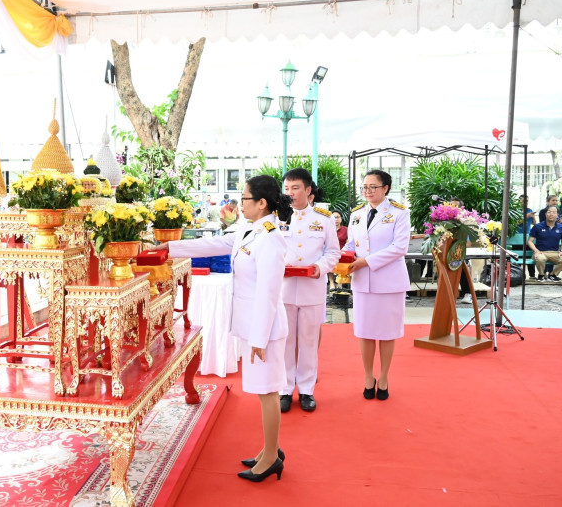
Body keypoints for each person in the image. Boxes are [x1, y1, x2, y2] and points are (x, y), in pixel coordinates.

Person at [156, 175, 292, 482]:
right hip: (253, 325)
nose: (239, 203)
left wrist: (259, 338)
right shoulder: (249, 228)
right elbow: (215, 243)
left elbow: (269, 293)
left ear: (262, 203)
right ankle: (269, 448)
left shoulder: (271, 239)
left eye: (245, 198)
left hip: (266, 330)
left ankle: (272, 457)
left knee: (268, 391)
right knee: (263, 390)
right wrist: (171, 246)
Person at [344, 169, 410, 401]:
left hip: (389, 282)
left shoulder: (399, 213)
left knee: (387, 332)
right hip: (363, 282)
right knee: (365, 332)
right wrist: (342, 259)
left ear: (385, 188)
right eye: (365, 187)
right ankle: (368, 376)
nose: (368, 191)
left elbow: (399, 247)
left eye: (373, 187)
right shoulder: (357, 214)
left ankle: (383, 377)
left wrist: (366, 261)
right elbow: (351, 244)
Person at [279, 168, 340, 413]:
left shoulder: (324, 219)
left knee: (308, 341)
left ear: (308, 190)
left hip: (312, 288)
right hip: (284, 289)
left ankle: (306, 390)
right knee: (284, 341)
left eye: (295, 188)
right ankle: (284, 389)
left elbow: (333, 252)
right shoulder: (277, 218)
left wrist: (320, 267)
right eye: (287, 188)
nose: (290, 193)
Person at [528, 204, 562, 282]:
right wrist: (536, 251)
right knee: (540, 258)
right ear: (545, 214)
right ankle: (541, 275)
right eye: (549, 212)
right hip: (540, 252)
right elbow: (530, 241)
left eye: (554, 212)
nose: (551, 214)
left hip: (555, 253)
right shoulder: (537, 226)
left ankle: (553, 275)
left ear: (557, 215)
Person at [517, 195, 536, 279]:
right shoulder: (516, 211)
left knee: (529, 255)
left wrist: (533, 217)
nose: (525, 202)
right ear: (519, 201)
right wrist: (526, 216)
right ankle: (518, 275)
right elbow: (515, 223)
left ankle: (532, 275)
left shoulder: (530, 210)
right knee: (518, 256)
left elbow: (534, 223)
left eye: (527, 201)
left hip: (528, 236)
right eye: (523, 201)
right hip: (518, 237)